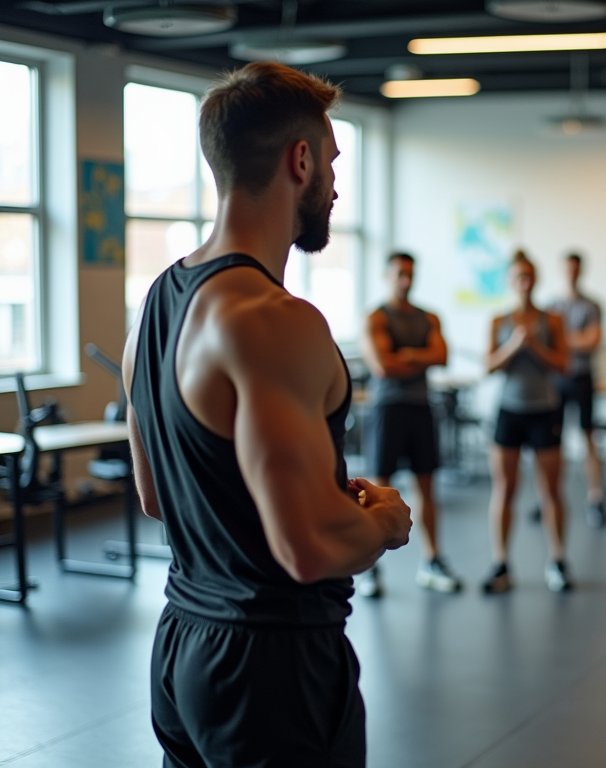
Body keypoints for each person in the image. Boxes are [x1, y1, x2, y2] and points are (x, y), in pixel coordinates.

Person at [122, 62, 412, 768]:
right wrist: (384, 521)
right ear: (300, 159)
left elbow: (159, 496)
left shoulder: (157, 304)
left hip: (185, 644)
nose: (337, 186)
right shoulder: (274, 319)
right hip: (271, 664)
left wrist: (302, 492)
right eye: (334, 162)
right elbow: (307, 547)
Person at [357, 252, 462, 597]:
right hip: (387, 408)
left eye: (410, 274)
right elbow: (382, 367)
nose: (406, 280)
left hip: (420, 408)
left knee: (428, 487)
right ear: (387, 275)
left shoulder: (428, 317)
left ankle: (432, 561)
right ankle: (369, 568)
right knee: (376, 489)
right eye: (400, 273)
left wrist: (407, 355)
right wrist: (420, 357)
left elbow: (442, 356)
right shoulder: (374, 318)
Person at [484, 251, 571, 593]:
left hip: (545, 410)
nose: (524, 281)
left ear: (535, 280)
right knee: (505, 489)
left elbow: (563, 365)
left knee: (550, 491)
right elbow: (488, 366)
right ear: (510, 281)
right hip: (509, 410)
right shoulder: (498, 321)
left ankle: (558, 560)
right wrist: (512, 346)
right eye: (518, 276)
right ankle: (500, 562)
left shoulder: (551, 321)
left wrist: (532, 344)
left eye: (529, 275)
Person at [549, 253, 606, 527]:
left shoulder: (592, 305)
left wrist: (563, 340)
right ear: (562, 271)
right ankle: (548, 497)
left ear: (580, 271)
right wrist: (575, 339)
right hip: (556, 381)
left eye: (575, 269)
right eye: (567, 269)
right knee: (552, 443)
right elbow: (551, 347)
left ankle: (596, 499)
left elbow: (592, 342)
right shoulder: (551, 307)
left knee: (588, 439)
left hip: (582, 379)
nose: (571, 273)